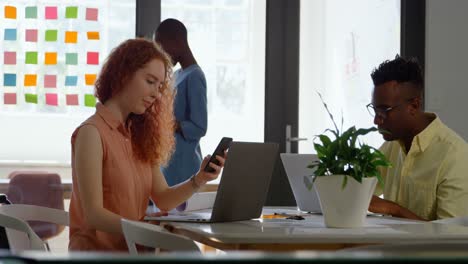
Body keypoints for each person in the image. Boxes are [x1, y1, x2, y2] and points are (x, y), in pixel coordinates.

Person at [68, 39, 225, 251]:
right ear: (123, 74)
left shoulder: (138, 136)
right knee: (188, 251)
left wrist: (199, 179)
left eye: (160, 86)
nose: (156, 94)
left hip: (135, 249)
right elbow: (94, 215)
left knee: (188, 250)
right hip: (99, 254)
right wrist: (146, 227)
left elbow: (163, 198)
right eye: (150, 81)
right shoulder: (91, 133)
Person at [367, 55, 468, 221]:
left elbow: (451, 240)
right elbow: (357, 186)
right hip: (391, 246)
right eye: (375, 110)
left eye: (385, 110)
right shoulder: (392, 146)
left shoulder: (455, 157)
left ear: (413, 106)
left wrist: (394, 209)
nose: (376, 120)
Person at [154, 18, 208, 186]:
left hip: (185, 164)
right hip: (170, 161)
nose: (160, 55)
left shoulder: (195, 76)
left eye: (161, 47)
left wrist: (169, 123)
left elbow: (200, 127)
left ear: (177, 41)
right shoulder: (177, 75)